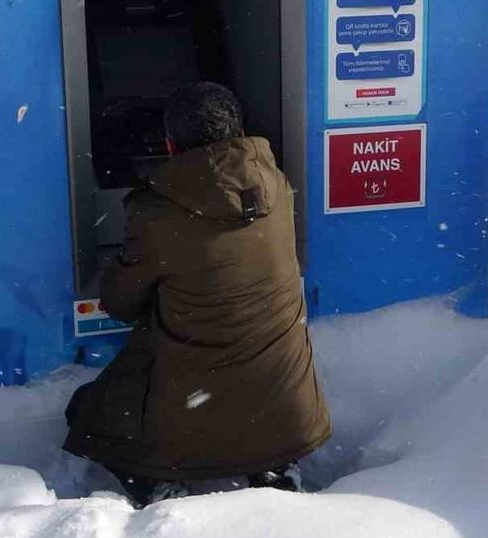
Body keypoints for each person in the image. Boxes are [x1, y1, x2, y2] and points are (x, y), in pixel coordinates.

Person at [63, 82, 331, 509]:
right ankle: (271, 467)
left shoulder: (156, 212)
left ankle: (159, 483)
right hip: (290, 419)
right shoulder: (277, 188)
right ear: (239, 131)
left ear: (170, 145)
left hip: (193, 427)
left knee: (87, 412)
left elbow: (121, 303)